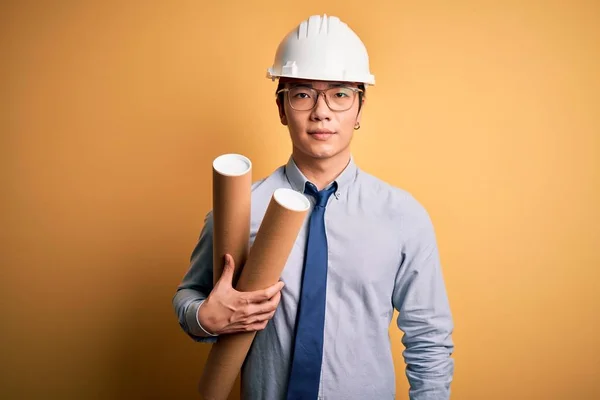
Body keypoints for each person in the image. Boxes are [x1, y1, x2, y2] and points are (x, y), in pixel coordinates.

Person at [173, 14, 454, 400]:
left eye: (340, 94)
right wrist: (204, 317)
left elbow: (429, 338)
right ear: (281, 107)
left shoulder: (402, 216)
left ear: (359, 107)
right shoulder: (242, 209)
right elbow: (190, 295)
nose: (321, 112)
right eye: (303, 93)